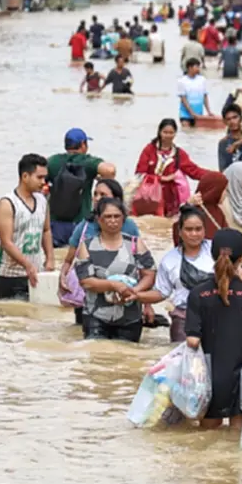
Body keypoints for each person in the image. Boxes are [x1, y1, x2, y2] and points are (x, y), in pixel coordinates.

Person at [185, 228, 242, 430]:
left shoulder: (198, 294)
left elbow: (192, 341)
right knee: (236, 440)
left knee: (206, 440)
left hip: (209, 380)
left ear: (211, 255)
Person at [73, 198, 156, 342]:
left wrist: (135, 291)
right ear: (99, 219)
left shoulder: (135, 244)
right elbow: (86, 281)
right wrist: (114, 285)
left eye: (116, 216)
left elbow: (149, 274)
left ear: (123, 218)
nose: (113, 220)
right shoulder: (87, 246)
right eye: (108, 216)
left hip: (130, 317)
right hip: (96, 317)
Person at [60, 179, 143, 320]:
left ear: (116, 199)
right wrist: (62, 277)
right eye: (95, 194)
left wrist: (147, 304)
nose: (97, 198)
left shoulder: (129, 226)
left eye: (103, 195)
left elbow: (141, 266)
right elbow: (69, 260)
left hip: (120, 297)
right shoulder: (85, 225)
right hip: (87, 298)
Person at [138, 206, 214, 343]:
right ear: (179, 231)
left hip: (216, 318)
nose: (194, 234)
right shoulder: (170, 260)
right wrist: (136, 296)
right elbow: (161, 293)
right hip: (184, 321)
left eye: (198, 229)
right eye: (189, 229)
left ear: (204, 230)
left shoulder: (216, 252)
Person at [0, 154, 55, 300]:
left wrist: (50, 258)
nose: (43, 182)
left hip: (36, 272)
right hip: (9, 275)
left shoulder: (42, 200)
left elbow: (46, 230)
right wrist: (27, 265)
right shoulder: (7, 204)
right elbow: (6, 242)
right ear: (25, 176)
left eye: (45, 178)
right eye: (39, 178)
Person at [46, 128, 117, 248]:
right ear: (83, 144)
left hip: (55, 225)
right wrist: (101, 178)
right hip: (80, 223)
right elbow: (110, 170)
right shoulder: (88, 163)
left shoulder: (53, 162)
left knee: (56, 260)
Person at [134, 119, 210, 217]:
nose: (168, 136)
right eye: (165, 132)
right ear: (159, 132)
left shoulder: (178, 154)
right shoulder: (149, 150)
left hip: (170, 198)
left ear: (175, 134)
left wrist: (213, 176)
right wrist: (161, 178)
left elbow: (194, 171)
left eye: (171, 133)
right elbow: (139, 174)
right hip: (149, 196)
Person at [177, 58, 215, 127]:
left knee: (197, 134)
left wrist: (209, 111)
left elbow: (205, 96)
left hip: (199, 114)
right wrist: (192, 113)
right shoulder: (182, 81)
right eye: (196, 67)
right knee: (186, 132)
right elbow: (183, 99)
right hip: (185, 114)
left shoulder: (202, 80)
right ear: (190, 68)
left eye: (199, 67)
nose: (198, 69)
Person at [218, 104, 242, 170]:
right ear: (224, 122)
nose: (232, 121)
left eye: (235, 117)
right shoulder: (223, 143)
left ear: (241, 118)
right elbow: (222, 169)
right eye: (228, 119)